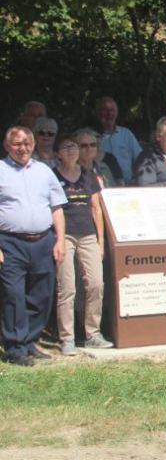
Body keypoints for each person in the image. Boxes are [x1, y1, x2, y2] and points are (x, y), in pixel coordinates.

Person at [0, 126, 67, 367]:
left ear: (33, 145)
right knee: (13, 296)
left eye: (27, 143)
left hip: (43, 241)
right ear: (7, 146)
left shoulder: (44, 171)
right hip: (10, 242)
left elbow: (56, 207)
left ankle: (29, 341)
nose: (23, 148)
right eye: (17, 144)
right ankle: (15, 347)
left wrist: (60, 240)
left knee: (41, 295)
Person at [52, 134, 113, 355]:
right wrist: (58, 239)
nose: (71, 150)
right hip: (64, 235)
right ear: (58, 153)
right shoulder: (52, 176)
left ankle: (92, 334)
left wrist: (100, 241)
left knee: (96, 283)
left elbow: (96, 208)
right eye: (66, 146)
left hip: (88, 235)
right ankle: (67, 338)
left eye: (74, 146)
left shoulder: (88, 176)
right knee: (67, 287)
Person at [95, 97, 142, 184]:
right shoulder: (92, 137)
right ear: (98, 113)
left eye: (112, 110)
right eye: (105, 110)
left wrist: (137, 179)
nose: (109, 114)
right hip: (104, 185)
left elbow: (140, 158)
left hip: (129, 184)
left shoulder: (126, 134)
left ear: (116, 113)